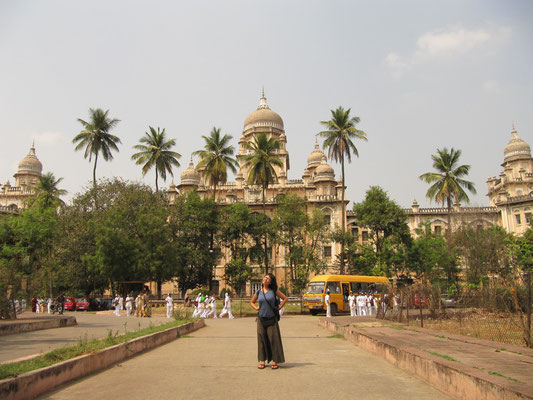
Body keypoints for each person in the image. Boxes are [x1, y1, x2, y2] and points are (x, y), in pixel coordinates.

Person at [251, 273, 287, 369]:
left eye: (268, 278)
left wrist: (279, 307)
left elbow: (285, 298)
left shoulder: (274, 291)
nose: (265, 279)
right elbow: (252, 302)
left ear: (271, 282)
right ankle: (262, 360)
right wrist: (256, 308)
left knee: (273, 340)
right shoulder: (259, 292)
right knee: (261, 339)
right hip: (261, 319)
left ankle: (275, 361)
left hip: (271, 319)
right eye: (265, 277)